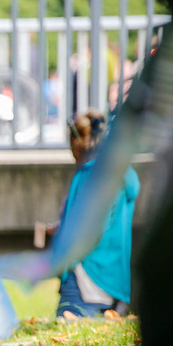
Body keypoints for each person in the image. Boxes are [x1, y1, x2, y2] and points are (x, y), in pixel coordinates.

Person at [51, 110, 140, 318]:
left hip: (85, 277)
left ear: (77, 142)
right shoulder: (123, 174)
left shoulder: (91, 174)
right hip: (113, 282)